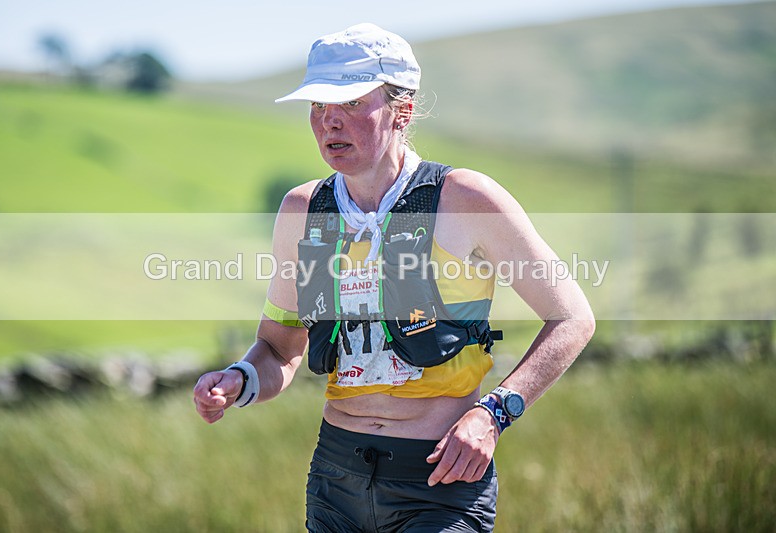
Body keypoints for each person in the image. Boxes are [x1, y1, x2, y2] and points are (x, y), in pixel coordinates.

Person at [194, 23, 595, 532]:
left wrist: (494, 414)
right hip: (334, 481)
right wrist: (240, 379)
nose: (329, 122)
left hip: (440, 479)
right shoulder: (303, 210)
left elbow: (572, 317)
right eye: (318, 106)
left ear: (401, 109)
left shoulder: (466, 199)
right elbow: (279, 348)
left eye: (352, 103)